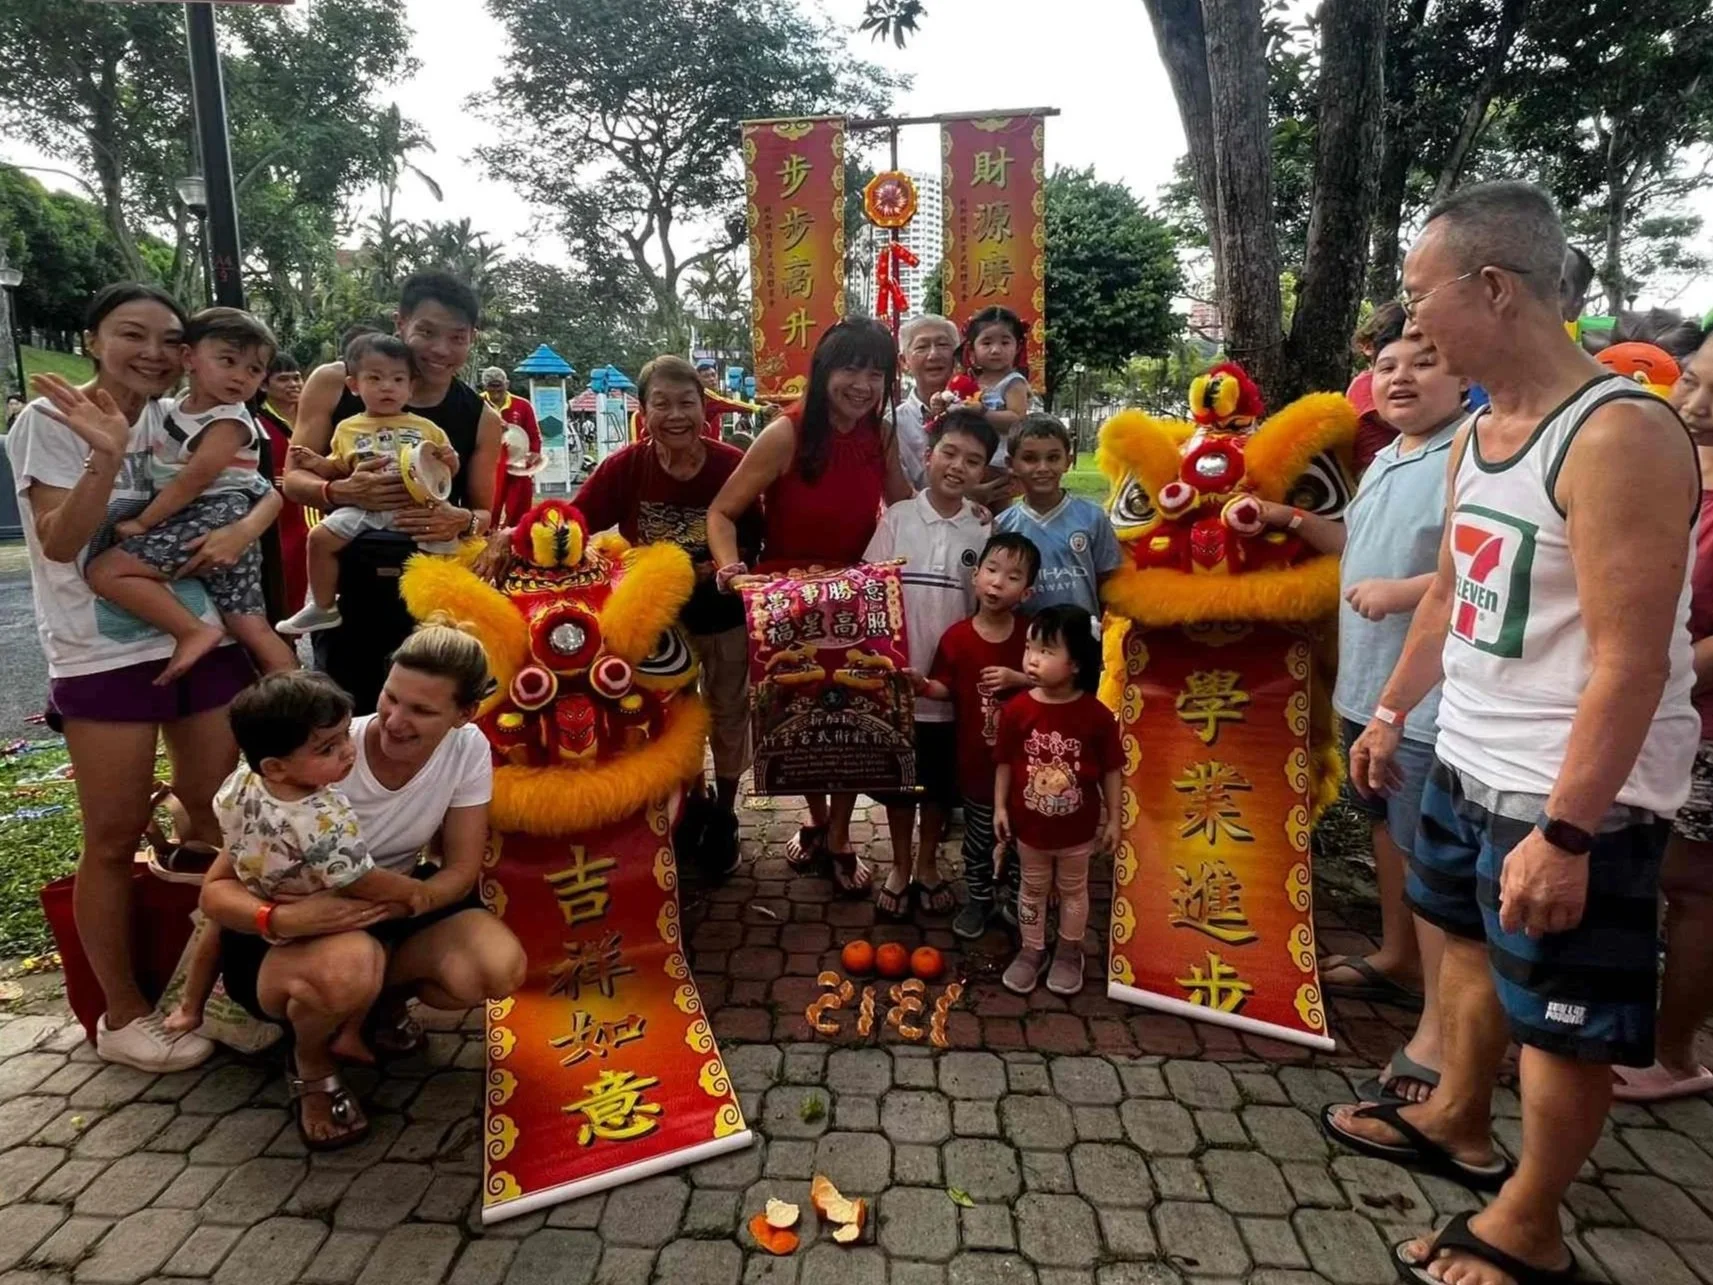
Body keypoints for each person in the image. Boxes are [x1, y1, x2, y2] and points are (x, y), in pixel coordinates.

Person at [1325, 181, 1698, 1285]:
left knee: (1565, 1020)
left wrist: (1572, 832)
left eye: (1418, 294)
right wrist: (1394, 711)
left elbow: (1633, 662)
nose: (1408, 324)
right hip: (1469, 752)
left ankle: (1529, 1223)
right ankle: (1456, 1121)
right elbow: (1450, 596)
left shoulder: (1619, 434)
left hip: (1568, 790)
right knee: (1471, 958)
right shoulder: (1480, 432)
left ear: (1492, 287)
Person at [8, 283, 270, 1072]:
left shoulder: (182, 411)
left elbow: (257, 490)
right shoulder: (44, 421)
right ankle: (121, 1014)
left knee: (214, 816)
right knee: (115, 836)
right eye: (132, 335)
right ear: (93, 338)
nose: (152, 352)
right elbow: (59, 544)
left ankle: (210, 993)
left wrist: (242, 530)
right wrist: (105, 455)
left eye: (168, 338)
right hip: (101, 653)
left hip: (204, 642)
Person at [201, 621, 527, 1150]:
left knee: (495, 968)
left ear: (465, 714)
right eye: (391, 697)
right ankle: (310, 1064)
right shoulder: (319, 753)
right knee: (344, 965)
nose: (396, 721)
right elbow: (214, 892)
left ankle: (373, 1009)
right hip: (282, 937)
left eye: (422, 711)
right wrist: (280, 919)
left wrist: (405, 902)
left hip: (386, 911)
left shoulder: (467, 749)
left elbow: (459, 873)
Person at [1263, 303, 1464, 1104]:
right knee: (1386, 825)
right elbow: (1352, 541)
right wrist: (1285, 518)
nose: (1400, 376)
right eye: (1385, 365)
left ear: (1464, 374)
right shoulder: (1389, 457)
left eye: (1423, 360)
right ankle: (1396, 957)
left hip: (1423, 696)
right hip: (1367, 686)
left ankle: (1442, 1035)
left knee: (1432, 854)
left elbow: (1472, 569)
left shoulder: (1469, 455)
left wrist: (1403, 590)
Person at [706, 317, 914, 895]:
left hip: (855, 594)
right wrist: (730, 568)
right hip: (786, 594)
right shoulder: (785, 433)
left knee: (851, 713)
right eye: (851, 369)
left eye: (876, 372)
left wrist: (956, 518)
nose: (863, 384)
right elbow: (721, 513)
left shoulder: (885, 435)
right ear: (824, 371)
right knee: (799, 717)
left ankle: (842, 835)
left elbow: (902, 509)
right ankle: (817, 819)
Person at [166, 671, 431, 1039]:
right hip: (308, 900)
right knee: (376, 935)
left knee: (214, 929)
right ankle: (350, 1031)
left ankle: (189, 1007)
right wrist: (410, 890)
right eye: (327, 749)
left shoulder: (244, 779)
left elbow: (230, 822)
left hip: (253, 886)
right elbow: (359, 878)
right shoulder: (322, 815)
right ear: (276, 765)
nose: (347, 751)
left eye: (344, 736)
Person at [571, 354, 763, 861]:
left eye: (687, 403)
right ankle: (691, 804)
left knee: (727, 712)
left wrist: (711, 571)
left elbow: (757, 536)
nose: (675, 415)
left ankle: (725, 810)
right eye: (662, 404)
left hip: (723, 617)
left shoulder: (730, 464)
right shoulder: (626, 467)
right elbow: (574, 521)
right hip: (659, 622)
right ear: (643, 410)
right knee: (673, 715)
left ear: (705, 409)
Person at [285, 270, 499, 713]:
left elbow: (484, 513)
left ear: (471, 339)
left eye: (457, 337)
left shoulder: (480, 418)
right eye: (426, 332)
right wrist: (340, 490)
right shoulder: (335, 383)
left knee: (426, 718)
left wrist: (460, 520)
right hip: (351, 593)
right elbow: (293, 478)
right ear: (400, 324)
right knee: (348, 716)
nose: (441, 350)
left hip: (428, 592)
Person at [83, 307, 295, 683]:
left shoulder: (228, 420)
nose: (240, 376)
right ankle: (297, 694)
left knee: (105, 571)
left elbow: (193, 480)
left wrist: (144, 522)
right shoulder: (177, 407)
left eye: (254, 370)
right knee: (251, 627)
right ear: (188, 358)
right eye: (228, 361)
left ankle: (192, 630)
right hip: (224, 515)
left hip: (211, 511)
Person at [1613, 325, 1713, 1102]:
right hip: (1638, 708)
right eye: (1691, 381)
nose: (1697, 404)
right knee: (1641, 879)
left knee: (1690, 886)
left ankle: (1673, 1053)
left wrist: (1653, 667)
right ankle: (1623, 1025)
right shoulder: (1661, 464)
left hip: (1695, 718)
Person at [864, 407, 996, 919]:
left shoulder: (983, 532)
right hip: (899, 678)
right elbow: (871, 590)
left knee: (940, 784)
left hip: (951, 689)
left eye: (974, 460)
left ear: (984, 473)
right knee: (902, 783)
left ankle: (927, 864)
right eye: (950, 452)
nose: (958, 466)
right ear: (928, 454)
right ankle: (898, 863)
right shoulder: (897, 519)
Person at [278, 333, 464, 637]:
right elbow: (338, 467)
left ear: (410, 386)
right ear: (354, 385)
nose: (387, 387)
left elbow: (445, 469)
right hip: (363, 509)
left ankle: (442, 615)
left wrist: (450, 458)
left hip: (416, 510)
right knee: (319, 538)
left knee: (447, 550)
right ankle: (323, 607)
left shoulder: (427, 428)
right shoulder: (347, 428)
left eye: (397, 379)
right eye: (375, 378)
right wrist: (316, 463)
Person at [993, 604, 1121, 996]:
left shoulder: (1097, 717)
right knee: (1030, 888)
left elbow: (1113, 770)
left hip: (1077, 830)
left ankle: (1069, 951)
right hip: (1029, 828)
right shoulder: (1017, 710)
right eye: (1031, 647)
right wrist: (999, 807)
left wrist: (1115, 819)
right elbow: (1004, 763)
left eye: (1047, 651)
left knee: (1073, 890)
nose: (1032, 659)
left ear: (1077, 663)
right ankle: (1032, 950)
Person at [916, 531, 1037, 938]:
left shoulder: (1031, 636)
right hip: (976, 767)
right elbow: (945, 689)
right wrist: (919, 684)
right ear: (975, 576)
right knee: (978, 839)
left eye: (1013, 576)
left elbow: (1052, 684)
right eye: (991, 569)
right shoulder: (957, 637)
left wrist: (1017, 676)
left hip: (1026, 772)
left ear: (1027, 591)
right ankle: (979, 902)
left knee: (1024, 845)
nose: (998, 582)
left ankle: (1021, 906)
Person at [994, 413, 1121, 617]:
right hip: (1026, 644)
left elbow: (1109, 584)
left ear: (1068, 461)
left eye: (1053, 458)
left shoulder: (1093, 518)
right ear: (1011, 463)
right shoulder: (1002, 526)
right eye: (1030, 458)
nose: (1043, 468)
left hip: (1082, 642)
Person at [897, 313, 1015, 507]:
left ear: (959, 354)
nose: (933, 354)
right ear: (904, 362)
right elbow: (899, 496)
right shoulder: (893, 425)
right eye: (922, 347)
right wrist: (962, 498)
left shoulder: (987, 407)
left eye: (943, 345)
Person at [256, 354, 309, 612]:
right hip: (274, 514)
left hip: (304, 513)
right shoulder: (257, 423)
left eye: (297, 377)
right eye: (283, 379)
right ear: (264, 385)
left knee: (300, 579)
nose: (294, 384)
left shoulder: (311, 420)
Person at [956, 306, 1031, 445]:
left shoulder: (1014, 383)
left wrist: (983, 412)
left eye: (1005, 342)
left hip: (1000, 461)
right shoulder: (971, 380)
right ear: (972, 350)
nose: (996, 350)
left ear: (1018, 347)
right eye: (987, 343)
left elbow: (1018, 420)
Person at [482, 366, 542, 528]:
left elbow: (534, 435)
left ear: (507, 385)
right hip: (488, 465)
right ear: (484, 387)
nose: (495, 394)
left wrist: (534, 456)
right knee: (488, 506)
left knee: (519, 506)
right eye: (491, 389)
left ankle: (516, 541)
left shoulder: (522, 405)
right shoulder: (477, 403)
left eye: (499, 389)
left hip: (518, 463)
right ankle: (485, 543)